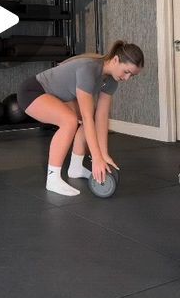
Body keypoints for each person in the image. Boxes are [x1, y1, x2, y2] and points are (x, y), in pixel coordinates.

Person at [17, 40, 144, 197]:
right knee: (69, 121)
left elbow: (101, 117)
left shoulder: (111, 80)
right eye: (126, 72)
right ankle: (53, 178)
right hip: (33, 92)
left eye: (132, 75)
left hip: (56, 97)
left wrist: (103, 154)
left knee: (90, 117)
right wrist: (96, 158)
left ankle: (76, 168)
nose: (127, 78)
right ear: (116, 60)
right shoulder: (89, 69)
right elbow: (87, 116)